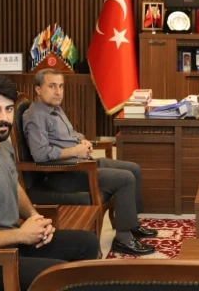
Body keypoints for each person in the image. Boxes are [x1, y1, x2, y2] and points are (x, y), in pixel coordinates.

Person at [0, 73, 99, 291]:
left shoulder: (2, 144)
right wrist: (21, 234)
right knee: (60, 277)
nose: (4, 118)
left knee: (87, 243)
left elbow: (13, 186)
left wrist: (35, 218)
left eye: (8, 109)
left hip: (11, 246)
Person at [23, 69, 157, 256]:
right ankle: (123, 239)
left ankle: (131, 224)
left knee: (133, 168)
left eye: (61, 86)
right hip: (64, 174)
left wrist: (82, 140)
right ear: (38, 89)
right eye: (52, 86)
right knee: (125, 178)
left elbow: (71, 134)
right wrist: (75, 151)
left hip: (81, 162)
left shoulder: (55, 108)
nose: (58, 92)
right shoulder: (35, 116)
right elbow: (40, 154)